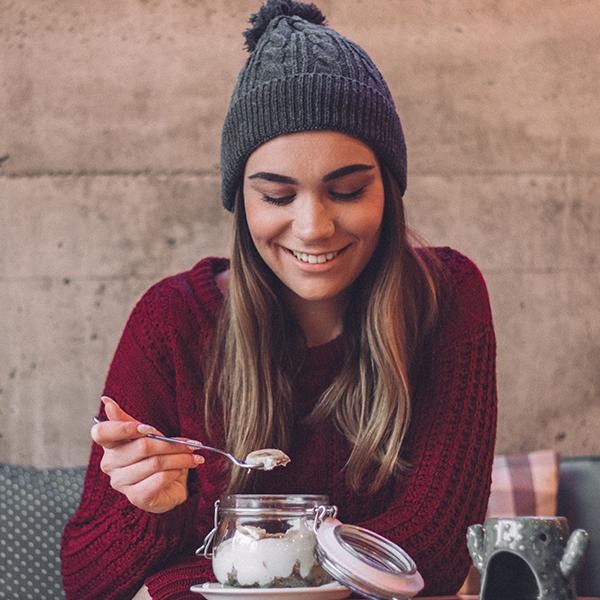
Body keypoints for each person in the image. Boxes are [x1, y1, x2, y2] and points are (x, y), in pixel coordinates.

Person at [61, 1, 497, 598]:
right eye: (277, 195)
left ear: (389, 191)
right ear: (241, 202)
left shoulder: (445, 298)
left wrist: (205, 578)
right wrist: (151, 510)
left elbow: (430, 554)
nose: (314, 227)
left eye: (346, 190)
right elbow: (87, 582)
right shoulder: (170, 323)